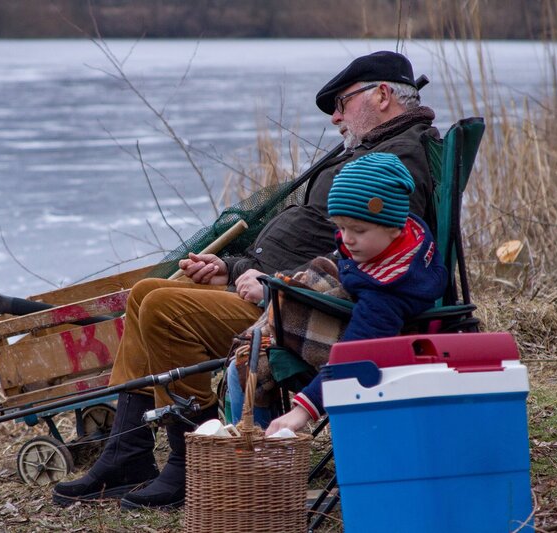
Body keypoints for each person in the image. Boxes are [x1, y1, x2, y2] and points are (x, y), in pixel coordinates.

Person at [53, 50, 441, 511]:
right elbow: (347, 246)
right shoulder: (376, 152)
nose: (335, 117)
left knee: (163, 309)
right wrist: (234, 269)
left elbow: (375, 264)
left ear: (381, 95)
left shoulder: (397, 161)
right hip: (273, 284)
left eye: (342, 102)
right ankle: (128, 453)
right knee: (145, 294)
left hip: (304, 302)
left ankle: (188, 463)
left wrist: (278, 286)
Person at [264, 152, 448, 436]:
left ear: (394, 228)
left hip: (388, 344)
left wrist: (304, 408)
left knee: (254, 359)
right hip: (357, 305)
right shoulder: (398, 234)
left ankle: (262, 450)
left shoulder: (389, 290)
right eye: (340, 226)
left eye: (358, 230)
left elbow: (356, 354)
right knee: (277, 304)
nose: (346, 238)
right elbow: (346, 244)